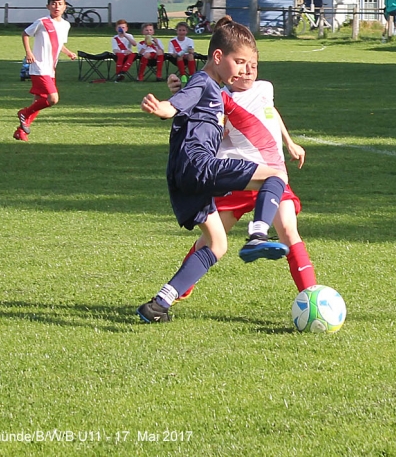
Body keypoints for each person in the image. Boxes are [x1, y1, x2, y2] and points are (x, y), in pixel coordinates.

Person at [136, 17, 290, 323]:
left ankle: (158, 305)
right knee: (275, 175)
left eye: (248, 64)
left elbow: (189, 107)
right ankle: (258, 234)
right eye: (239, 62)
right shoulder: (204, 82)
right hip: (198, 166)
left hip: (182, 178)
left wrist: (176, 96)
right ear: (218, 57)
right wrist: (164, 107)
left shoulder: (208, 86)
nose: (243, 70)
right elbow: (176, 106)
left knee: (217, 245)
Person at [167, 55, 317, 303]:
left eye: (254, 66)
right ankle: (179, 287)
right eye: (242, 66)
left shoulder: (265, 88)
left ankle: (311, 295)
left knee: (289, 231)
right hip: (239, 180)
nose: (248, 71)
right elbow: (200, 113)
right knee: (211, 241)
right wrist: (181, 93)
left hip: (271, 177)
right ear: (230, 70)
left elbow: (270, 111)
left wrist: (289, 142)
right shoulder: (219, 98)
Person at [15, 0, 77, 142]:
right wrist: (28, 52)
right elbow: (25, 34)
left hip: (50, 69)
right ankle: (24, 113)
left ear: (65, 6)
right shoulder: (42, 22)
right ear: (48, 6)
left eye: (60, 4)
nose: (57, 7)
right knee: (53, 98)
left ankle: (21, 132)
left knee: (39, 101)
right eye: (53, 4)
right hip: (39, 67)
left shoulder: (65, 25)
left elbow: (58, 43)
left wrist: (68, 52)